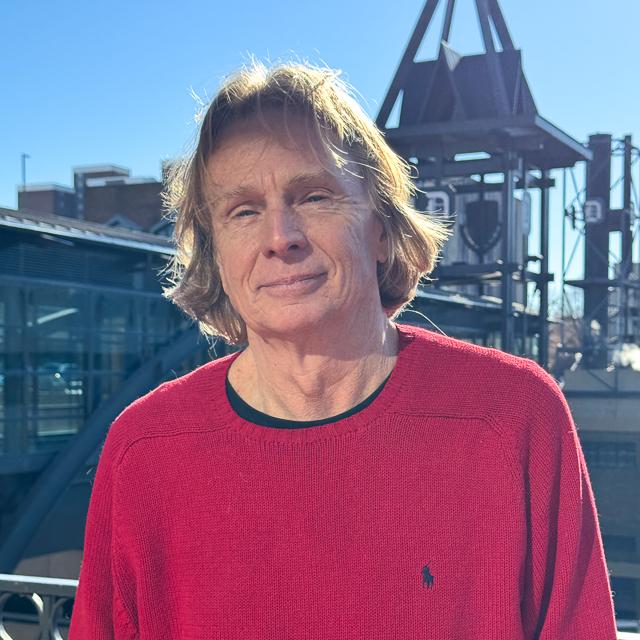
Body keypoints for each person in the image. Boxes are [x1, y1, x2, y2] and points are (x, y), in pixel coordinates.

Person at [68, 61, 618, 639]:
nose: (281, 238)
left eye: (314, 197)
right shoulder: (146, 450)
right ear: (216, 253)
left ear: (380, 229)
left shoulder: (510, 416)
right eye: (244, 211)